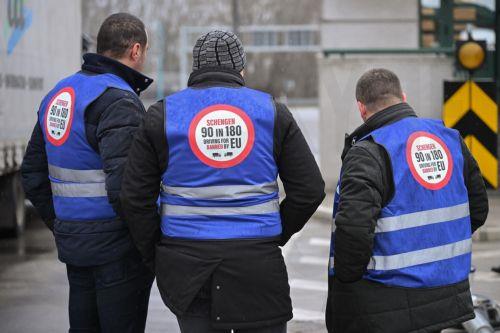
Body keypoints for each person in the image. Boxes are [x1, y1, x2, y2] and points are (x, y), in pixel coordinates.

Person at [120, 30, 325, 333]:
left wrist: (158, 252)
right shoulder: (270, 112)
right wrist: (275, 234)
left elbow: (134, 198)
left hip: (187, 266)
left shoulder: (163, 115)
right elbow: (310, 190)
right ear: (240, 69)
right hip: (257, 264)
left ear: (196, 68)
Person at [325, 69, 488, 333]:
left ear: (361, 108)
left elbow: (353, 232)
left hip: (384, 301)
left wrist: (348, 284)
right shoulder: (450, 139)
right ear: (403, 97)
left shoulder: (369, 152)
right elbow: (478, 209)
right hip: (444, 296)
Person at [21, 13, 154, 333]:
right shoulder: (118, 100)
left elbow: (32, 174)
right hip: (118, 251)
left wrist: (66, 226)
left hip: (76, 246)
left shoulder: (59, 94)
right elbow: (127, 188)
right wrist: (150, 243)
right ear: (135, 51)